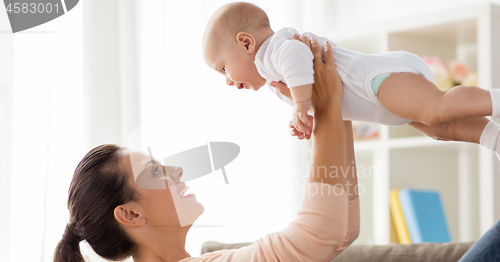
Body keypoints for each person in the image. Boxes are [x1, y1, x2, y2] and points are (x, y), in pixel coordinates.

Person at [51, 38, 360, 262]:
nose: (176, 169)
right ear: (130, 215)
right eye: (155, 171)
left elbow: (339, 234)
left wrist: (338, 109)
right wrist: (326, 104)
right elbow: (319, 234)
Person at [202, 2, 500, 161]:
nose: (228, 81)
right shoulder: (275, 79)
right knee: (440, 129)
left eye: (223, 69)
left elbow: (297, 56)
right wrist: (307, 117)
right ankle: (494, 138)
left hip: (377, 81)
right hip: (380, 103)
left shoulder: (274, 50)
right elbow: (328, 103)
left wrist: (301, 106)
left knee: (437, 109)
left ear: (245, 43)